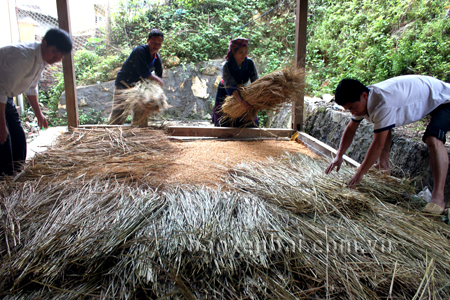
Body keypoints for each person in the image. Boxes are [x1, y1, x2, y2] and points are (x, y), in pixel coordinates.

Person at [325, 75, 450, 214]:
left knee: (433, 139)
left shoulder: (383, 102)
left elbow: (378, 144)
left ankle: (438, 197)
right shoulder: (366, 99)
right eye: (349, 110)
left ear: (364, 95)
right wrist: (339, 156)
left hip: (445, 99)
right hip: (429, 95)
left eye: (353, 108)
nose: (353, 113)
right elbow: (350, 130)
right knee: (382, 125)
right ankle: (383, 165)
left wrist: (360, 172)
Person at [0, 28, 73, 177]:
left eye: (61, 56)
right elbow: (1, 90)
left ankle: (17, 173)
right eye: (55, 52)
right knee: (3, 140)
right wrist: (1, 125)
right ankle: (5, 181)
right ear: (44, 44)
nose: (57, 58)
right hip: (1, 94)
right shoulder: (24, 57)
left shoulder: (40, 59)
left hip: (5, 96)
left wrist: (39, 114)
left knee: (18, 137)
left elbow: (31, 88)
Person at [109, 28, 164, 125]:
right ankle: (112, 136)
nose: (156, 45)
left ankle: (138, 135)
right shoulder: (140, 51)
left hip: (138, 87)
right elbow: (145, 73)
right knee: (119, 113)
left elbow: (159, 75)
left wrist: (157, 92)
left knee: (142, 113)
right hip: (124, 84)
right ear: (148, 41)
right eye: (154, 42)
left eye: (159, 43)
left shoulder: (156, 58)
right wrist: (159, 80)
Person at [213, 37, 259, 127]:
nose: (244, 55)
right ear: (233, 52)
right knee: (225, 118)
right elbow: (231, 85)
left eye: (246, 52)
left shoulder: (249, 63)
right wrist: (241, 102)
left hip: (242, 91)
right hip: (226, 92)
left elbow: (255, 81)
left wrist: (256, 97)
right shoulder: (227, 65)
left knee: (248, 120)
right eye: (241, 52)